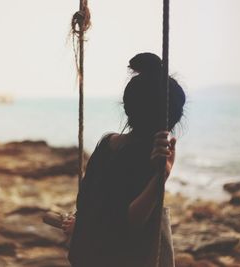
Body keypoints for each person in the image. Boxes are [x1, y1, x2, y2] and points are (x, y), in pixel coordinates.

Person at [62, 52, 186, 267]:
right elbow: (131, 221)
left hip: (86, 257)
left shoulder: (107, 144)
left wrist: (83, 225)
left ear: (127, 108)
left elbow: (89, 202)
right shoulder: (149, 157)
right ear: (174, 117)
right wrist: (161, 176)